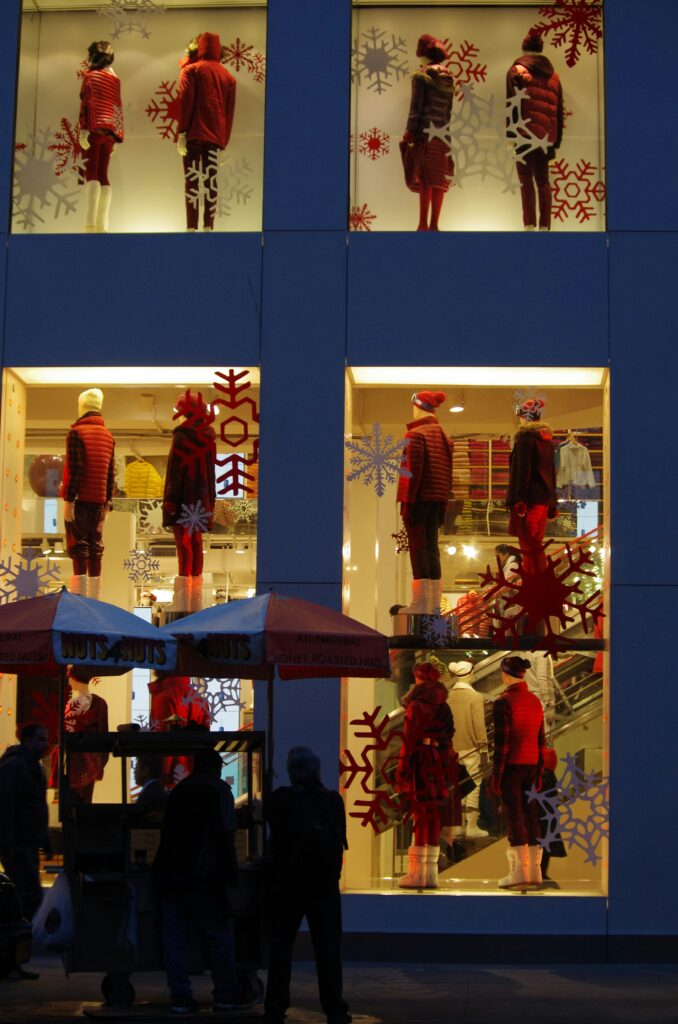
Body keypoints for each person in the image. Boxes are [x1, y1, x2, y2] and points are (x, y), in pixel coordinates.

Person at [263, 747, 350, 1024]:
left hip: (288, 884)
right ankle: (334, 1008)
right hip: (324, 885)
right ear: (317, 769)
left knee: (281, 948)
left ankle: (275, 1006)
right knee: (328, 949)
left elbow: (269, 822)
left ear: (291, 772)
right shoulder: (333, 800)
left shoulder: (282, 799)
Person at [154, 747, 243, 1015]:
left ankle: (180, 997)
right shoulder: (219, 791)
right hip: (204, 876)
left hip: (172, 873)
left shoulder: (179, 791)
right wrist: (232, 870)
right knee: (219, 936)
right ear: (217, 768)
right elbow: (226, 835)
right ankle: (224, 995)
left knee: (175, 939)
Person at [395, 663, 456, 889]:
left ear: (418, 679)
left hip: (419, 760)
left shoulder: (416, 705)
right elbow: (449, 735)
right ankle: (431, 872)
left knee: (420, 814)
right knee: (433, 815)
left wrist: (402, 769)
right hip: (437, 760)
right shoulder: (443, 705)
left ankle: (416, 873)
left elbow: (409, 740)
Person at [0, 723, 51, 979]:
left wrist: (45, 838)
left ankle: (15, 959)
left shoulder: (33, 767)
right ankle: (13, 957)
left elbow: (37, 806)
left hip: (26, 843)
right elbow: (5, 806)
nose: (45, 744)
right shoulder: (15, 766)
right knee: (27, 898)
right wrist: (7, 844)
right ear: (27, 740)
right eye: (41, 739)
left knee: (27, 898)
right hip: (18, 845)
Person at [491, 656, 546, 889]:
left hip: (512, 765)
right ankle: (535, 871)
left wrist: (496, 775)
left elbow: (502, 744)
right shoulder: (535, 701)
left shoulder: (503, 702)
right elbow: (541, 740)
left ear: (506, 675)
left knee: (514, 817)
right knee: (531, 815)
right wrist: (540, 770)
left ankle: (518, 872)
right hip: (532, 763)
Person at [397, 391, 453, 613]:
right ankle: (433, 604)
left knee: (418, 550)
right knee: (431, 549)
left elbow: (413, 472)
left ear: (418, 406)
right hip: (437, 500)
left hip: (418, 500)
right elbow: (447, 474)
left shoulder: (415, 435)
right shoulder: (443, 436)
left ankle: (421, 603)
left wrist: (408, 502)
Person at [163, 389, 216, 613]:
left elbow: (175, 473)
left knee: (183, 546)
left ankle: (183, 601)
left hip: (183, 499)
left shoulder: (182, 436)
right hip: (201, 501)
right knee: (195, 544)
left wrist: (170, 501)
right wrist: (210, 502)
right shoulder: (208, 437)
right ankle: (194, 599)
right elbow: (211, 474)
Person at [177, 32, 236, 232]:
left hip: (194, 134)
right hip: (216, 136)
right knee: (211, 180)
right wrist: (224, 142)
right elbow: (229, 112)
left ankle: (191, 227)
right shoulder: (228, 77)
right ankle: (209, 226)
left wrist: (182, 133)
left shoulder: (191, 70)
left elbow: (186, 102)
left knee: (192, 180)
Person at [60, 387, 116, 599]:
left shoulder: (77, 433)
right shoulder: (108, 436)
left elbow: (75, 469)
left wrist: (69, 499)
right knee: (95, 548)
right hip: (99, 502)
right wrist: (107, 503)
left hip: (80, 500)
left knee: (78, 547)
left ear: (82, 407)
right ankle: (95, 597)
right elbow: (111, 472)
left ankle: (80, 598)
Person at [506, 29, 563, 231]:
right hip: (546, 136)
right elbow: (558, 111)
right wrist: (556, 142)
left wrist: (511, 135)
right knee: (543, 181)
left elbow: (512, 105)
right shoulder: (554, 76)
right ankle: (545, 226)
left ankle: (529, 225)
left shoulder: (516, 71)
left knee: (525, 180)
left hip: (523, 134)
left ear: (523, 49)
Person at [402, 35, 455, 231]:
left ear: (422, 53)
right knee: (439, 179)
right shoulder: (449, 77)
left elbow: (416, 106)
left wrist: (410, 130)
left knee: (425, 178)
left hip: (424, 133)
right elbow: (448, 110)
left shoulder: (421, 75)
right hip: (443, 134)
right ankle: (434, 224)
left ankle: (422, 223)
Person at [505, 397, 557, 576]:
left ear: (523, 417)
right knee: (535, 544)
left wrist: (520, 500)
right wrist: (553, 504)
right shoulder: (546, 441)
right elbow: (552, 473)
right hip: (543, 501)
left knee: (528, 544)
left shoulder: (525, 440)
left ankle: (534, 581)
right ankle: (539, 580)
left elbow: (523, 471)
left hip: (529, 501)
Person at [79, 40, 124, 232]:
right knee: (103, 176)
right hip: (110, 134)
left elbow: (86, 104)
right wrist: (117, 136)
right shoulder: (115, 80)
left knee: (91, 175)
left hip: (94, 130)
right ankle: (102, 225)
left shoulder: (90, 77)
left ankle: (90, 224)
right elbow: (117, 107)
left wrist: (83, 130)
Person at [131, 754, 167, 821]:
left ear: (146, 771)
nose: (134, 772)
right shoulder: (158, 789)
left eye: (136, 768)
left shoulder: (149, 794)